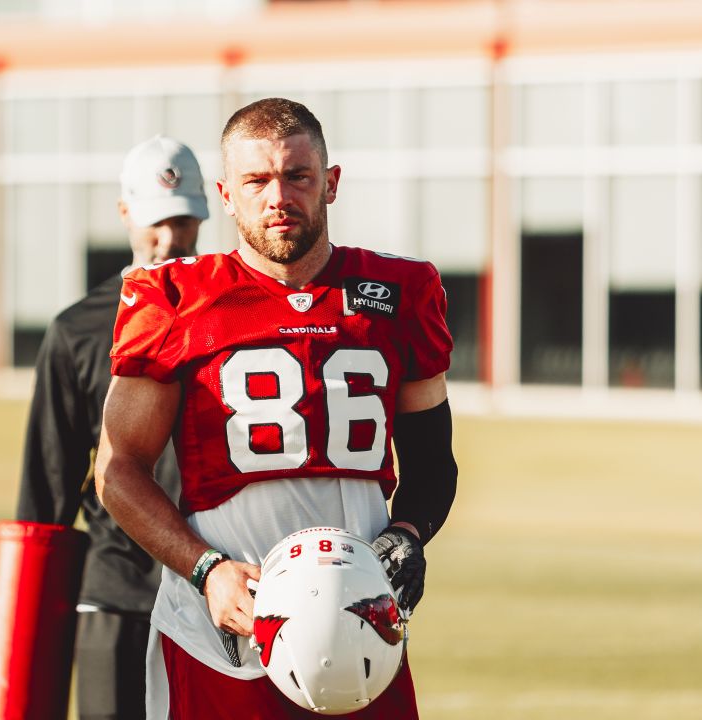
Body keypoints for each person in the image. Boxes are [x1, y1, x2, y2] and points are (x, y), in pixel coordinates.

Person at [95, 98, 459, 719]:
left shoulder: (400, 292)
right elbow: (118, 471)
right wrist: (205, 569)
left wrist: (407, 533)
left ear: (331, 183)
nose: (278, 197)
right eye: (256, 181)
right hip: (223, 635)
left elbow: (433, 464)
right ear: (226, 195)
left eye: (298, 176)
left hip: (361, 623)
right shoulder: (175, 296)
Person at [16, 135, 210, 720]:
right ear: (125, 214)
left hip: (215, 593)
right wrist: (22, 647)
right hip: (114, 595)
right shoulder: (75, 333)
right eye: (156, 222)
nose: (170, 239)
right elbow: (45, 493)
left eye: (184, 220)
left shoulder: (235, 323)